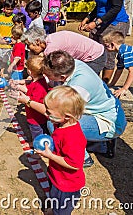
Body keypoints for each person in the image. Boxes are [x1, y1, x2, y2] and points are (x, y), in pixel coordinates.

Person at [38, 51, 126, 167]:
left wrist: (28, 101)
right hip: (108, 113)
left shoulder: (78, 87)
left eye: (48, 75)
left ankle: (83, 158)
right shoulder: (73, 64)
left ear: (62, 77)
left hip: (108, 121)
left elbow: (58, 112)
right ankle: (102, 145)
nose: (46, 77)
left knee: (56, 123)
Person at [34, 86, 86, 215]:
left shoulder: (73, 137)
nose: (46, 113)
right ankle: (54, 209)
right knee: (54, 199)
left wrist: (50, 155)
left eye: (49, 112)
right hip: (57, 177)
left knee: (62, 210)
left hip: (67, 185)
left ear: (66, 116)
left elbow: (73, 165)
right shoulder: (61, 124)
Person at [78, 0, 129, 84]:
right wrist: (88, 18)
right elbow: (100, 5)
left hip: (115, 23)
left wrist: (95, 23)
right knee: (93, 53)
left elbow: (115, 7)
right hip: (101, 22)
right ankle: (92, 82)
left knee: (108, 57)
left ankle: (103, 85)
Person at [22, 27, 106, 75]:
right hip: (96, 52)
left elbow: (51, 72)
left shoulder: (51, 49)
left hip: (94, 58)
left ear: (37, 41)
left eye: (28, 44)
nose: (28, 48)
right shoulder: (51, 38)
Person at [11, 55, 48, 140]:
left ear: (29, 71)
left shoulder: (38, 86)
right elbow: (30, 92)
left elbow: (33, 101)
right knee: (37, 130)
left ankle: (37, 145)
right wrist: (18, 87)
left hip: (36, 118)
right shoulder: (38, 82)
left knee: (37, 132)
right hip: (34, 116)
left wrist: (22, 98)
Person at [103, 31, 133, 101]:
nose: (105, 49)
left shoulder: (126, 52)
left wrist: (124, 88)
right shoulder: (121, 53)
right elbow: (119, 70)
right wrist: (112, 84)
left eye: (106, 46)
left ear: (113, 44)